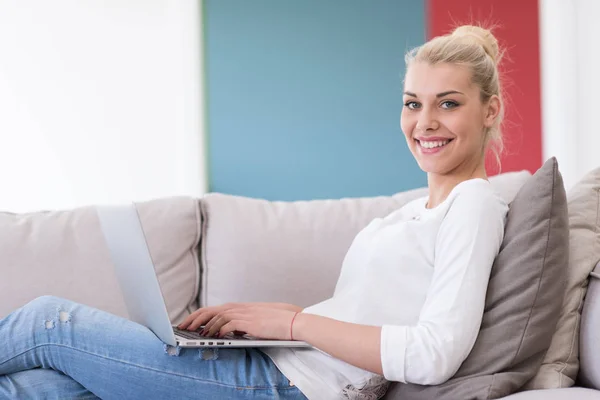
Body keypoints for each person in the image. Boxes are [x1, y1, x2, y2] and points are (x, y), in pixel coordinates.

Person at [0, 24, 509, 400]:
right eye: (412, 103)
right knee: (36, 388)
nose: (424, 122)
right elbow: (369, 315)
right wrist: (281, 321)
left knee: (50, 322)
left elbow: (434, 353)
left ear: (489, 110)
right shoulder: (411, 213)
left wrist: (293, 326)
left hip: (288, 388)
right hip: (278, 367)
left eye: (447, 104)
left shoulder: (475, 205)